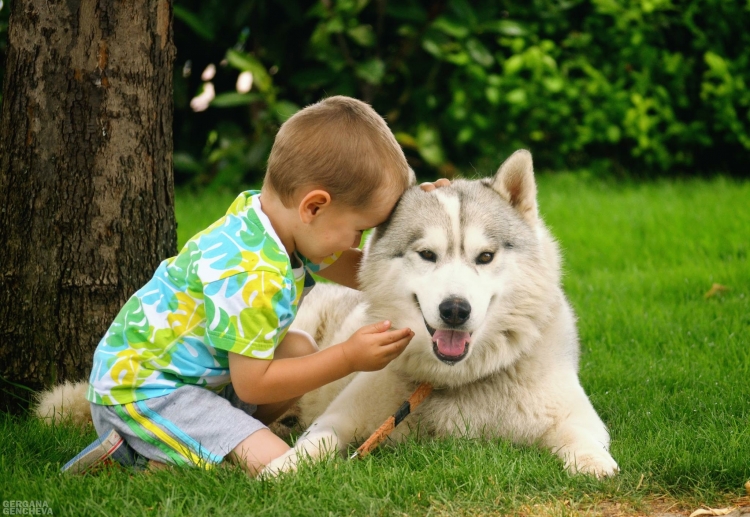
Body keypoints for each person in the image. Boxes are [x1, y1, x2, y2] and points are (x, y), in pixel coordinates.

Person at [62, 96, 446, 477]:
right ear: (313, 207)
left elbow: (366, 270)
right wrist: (347, 358)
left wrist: (420, 216)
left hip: (194, 381)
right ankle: (136, 458)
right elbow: (253, 386)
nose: (357, 244)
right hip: (146, 395)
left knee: (299, 349)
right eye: (359, 231)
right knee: (279, 467)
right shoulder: (252, 273)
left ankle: (229, 443)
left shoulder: (276, 225)